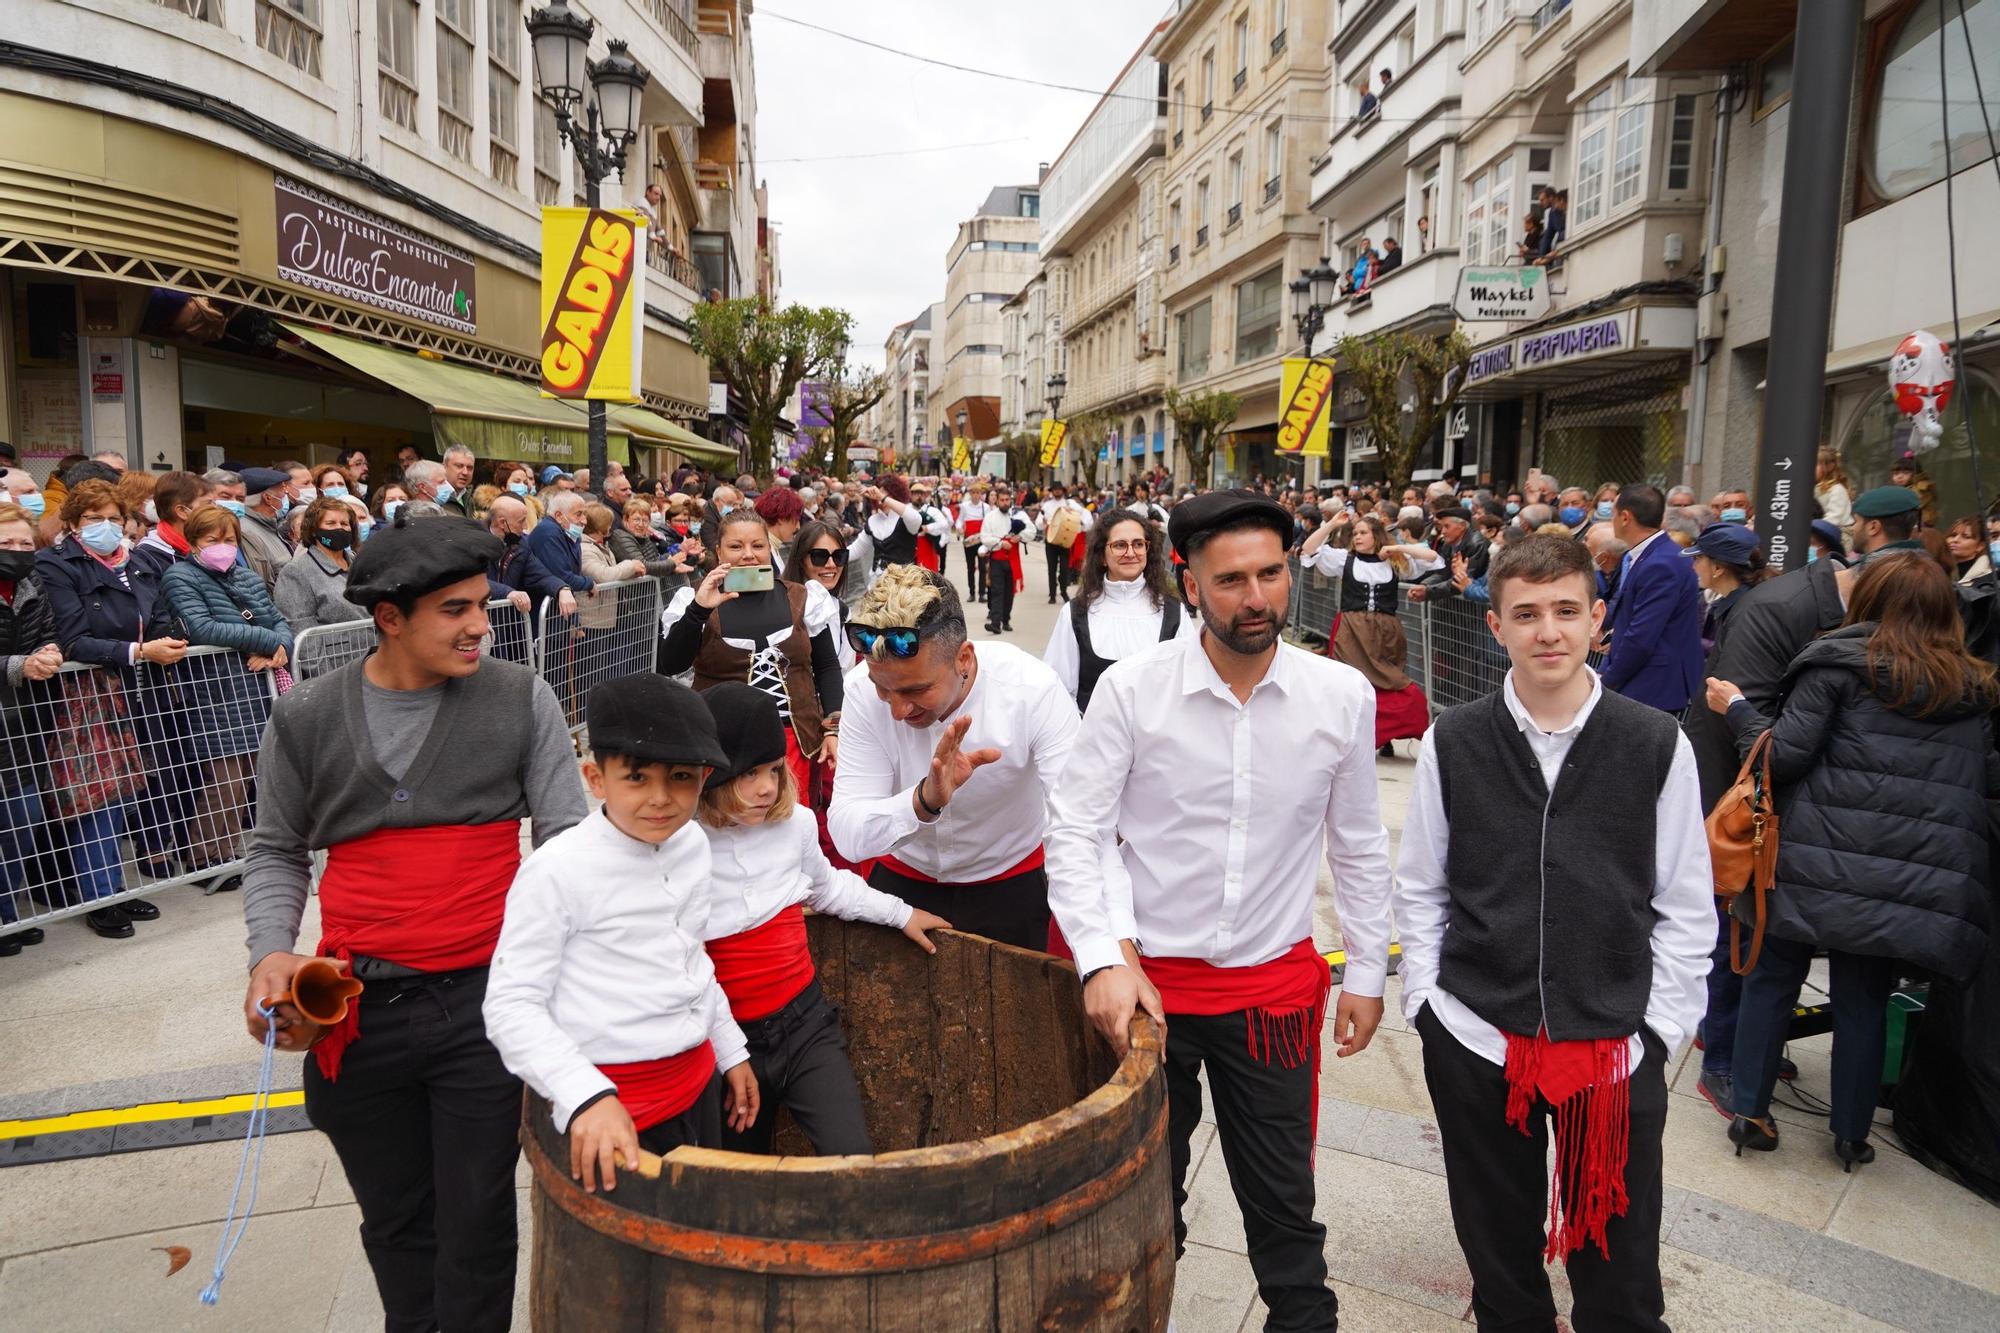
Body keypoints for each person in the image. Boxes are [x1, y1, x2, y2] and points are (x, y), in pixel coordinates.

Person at [1046, 489, 1395, 1332]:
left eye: (1271, 574)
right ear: (1189, 582)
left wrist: (1369, 970)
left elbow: (1358, 843)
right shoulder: (1133, 691)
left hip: (1271, 991)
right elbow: (1077, 827)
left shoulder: (1340, 697)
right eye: (1231, 578)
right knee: (1138, 1202)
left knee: (1285, 1210)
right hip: (1146, 993)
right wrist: (1100, 956)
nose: (1256, 597)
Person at [241, 514, 589, 1330]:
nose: (480, 624)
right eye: (454, 610)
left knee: (475, 1225)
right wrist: (270, 952)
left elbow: (568, 844)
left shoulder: (519, 698)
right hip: (358, 1015)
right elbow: (276, 849)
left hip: (487, 1008)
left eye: (481, 603)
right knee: (396, 1223)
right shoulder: (306, 717)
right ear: (388, 618)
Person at [1395, 534, 1711, 1332]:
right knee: (1500, 1264)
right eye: (1527, 613)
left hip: (1611, 1048)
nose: (1549, 631)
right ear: (1495, 624)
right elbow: (1423, 882)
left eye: (1567, 610)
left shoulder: (1654, 742)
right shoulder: (1453, 738)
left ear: (1598, 619)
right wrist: (1426, 1006)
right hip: (1478, 1034)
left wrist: (1661, 1031)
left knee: (1622, 1277)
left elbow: (1684, 901)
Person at [1707, 553, 1997, 1170]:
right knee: (1864, 999)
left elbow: (1781, 758)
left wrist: (1737, 710)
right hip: (1902, 876)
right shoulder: (1971, 687)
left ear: (1869, 599)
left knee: (1770, 982)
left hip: (1809, 861)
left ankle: (1752, 1112)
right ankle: (1850, 1133)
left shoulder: (1837, 664)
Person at [484, 673, 758, 1186]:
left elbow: (692, 957)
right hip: (612, 1111)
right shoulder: (557, 869)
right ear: (595, 779)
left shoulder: (693, 844)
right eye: (637, 777)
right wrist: (585, 1094)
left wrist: (729, 1048)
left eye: (680, 777)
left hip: (696, 1088)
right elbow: (510, 1005)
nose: (660, 797)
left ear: (703, 779)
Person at [696, 683, 948, 1155]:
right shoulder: (687, 848)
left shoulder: (792, 826)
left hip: (805, 1025)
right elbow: (687, 963)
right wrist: (730, 1054)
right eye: (749, 773)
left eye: (774, 769)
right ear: (711, 776)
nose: (768, 786)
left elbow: (829, 887)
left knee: (851, 1154)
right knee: (733, 1169)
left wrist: (900, 913)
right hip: (728, 1037)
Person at [829, 566, 1078, 952]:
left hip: (1010, 880)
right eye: (884, 689)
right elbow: (847, 833)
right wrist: (922, 802)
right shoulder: (861, 691)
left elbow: (1079, 821)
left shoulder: (1033, 690)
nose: (896, 710)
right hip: (904, 880)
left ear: (964, 658)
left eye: (916, 689)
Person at [35, 479, 184, 938]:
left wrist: (163, 640)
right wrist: (140, 651)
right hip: (90, 696)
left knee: (130, 791)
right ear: (74, 524)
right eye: (93, 519)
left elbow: (160, 614)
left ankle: (115, 886)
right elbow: (74, 636)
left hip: (141, 691)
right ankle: (99, 896)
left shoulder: (137, 561)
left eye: (113, 518)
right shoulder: (57, 564)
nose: (105, 526)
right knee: (98, 796)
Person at [657, 510, 844, 798]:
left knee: (791, 828)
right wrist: (698, 610)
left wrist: (833, 728)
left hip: (795, 740)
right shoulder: (693, 600)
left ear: (770, 549)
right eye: (736, 546)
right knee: (728, 832)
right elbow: (671, 663)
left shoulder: (804, 597)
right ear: (718, 551)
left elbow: (827, 666)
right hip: (722, 741)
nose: (748, 555)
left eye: (758, 545)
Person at [159, 505, 292, 872]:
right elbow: (201, 628)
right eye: (212, 540)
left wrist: (280, 649)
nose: (222, 546)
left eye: (229, 539)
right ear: (194, 542)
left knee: (246, 775)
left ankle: (228, 851)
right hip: (213, 689)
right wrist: (266, 640)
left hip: (253, 689)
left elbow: (280, 621)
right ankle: (202, 858)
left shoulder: (245, 577)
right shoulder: (179, 576)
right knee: (222, 778)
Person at [1300, 510, 1440, 752]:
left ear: (1376, 536)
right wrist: (1333, 524)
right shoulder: (1345, 559)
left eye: (1363, 532)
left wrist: (1399, 549)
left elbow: (1432, 557)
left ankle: (1384, 735)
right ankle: (1350, 736)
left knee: (1391, 682)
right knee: (1351, 684)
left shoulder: (1395, 562)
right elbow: (1309, 549)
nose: (1357, 537)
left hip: (1386, 633)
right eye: (1355, 533)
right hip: (1351, 630)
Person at [1042, 508, 1194, 714]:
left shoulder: (1174, 613)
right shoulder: (1076, 613)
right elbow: (1058, 689)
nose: (1131, 553)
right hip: (1093, 741)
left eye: (1138, 544)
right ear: (1102, 556)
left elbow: (1188, 684)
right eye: (1120, 545)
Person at [0, 501, 58, 955]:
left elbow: (48, 630)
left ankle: (6, 909)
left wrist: (51, 651)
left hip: (24, 722)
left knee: (24, 817)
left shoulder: (31, 581)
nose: (18, 551)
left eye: (24, 542)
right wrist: (21, 664)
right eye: (7, 543)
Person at [1599, 484, 1704, 713]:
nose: (1612, 521)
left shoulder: (1661, 562)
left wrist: (1606, 681)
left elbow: (1641, 636)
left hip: (1652, 686)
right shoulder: (1645, 554)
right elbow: (1625, 618)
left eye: (1613, 514)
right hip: (1641, 681)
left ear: (1625, 517)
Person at [275, 495, 368, 638]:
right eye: (331, 523)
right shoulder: (296, 572)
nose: (339, 528)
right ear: (313, 530)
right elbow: (301, 631)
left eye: (344, 524)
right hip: (337, 658)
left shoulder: (359, 563)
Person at [238, 465, 301, 591]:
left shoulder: (269, 525)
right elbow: (264, 584)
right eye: (283, 491)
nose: (286, 495)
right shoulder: (247, 531)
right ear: (268, 498)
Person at [978, 485, 1029, 633]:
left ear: (1010, 500)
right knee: (996, 591)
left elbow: (1031, 531)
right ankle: (995, 623)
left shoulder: (1017, 515)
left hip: (1012, 559)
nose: (1005, 502)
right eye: (1002, 500)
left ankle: (1006, 620)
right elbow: (984, 537)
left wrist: (1020, 536)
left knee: (1009, 591)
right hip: (997, 558)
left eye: (1007, 500)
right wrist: (1000, 543)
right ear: (997, 501)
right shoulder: (990, 517)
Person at [1888, 451, 1938, 528]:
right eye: (1896, 474)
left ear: (1916, 473)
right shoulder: (1900, 489)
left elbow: (1912, 503)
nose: (1900, 476)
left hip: (1922, 526)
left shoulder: (1922, 487)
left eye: (1905, 473)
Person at [1814, 446, 1854, 541]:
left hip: (1841, 534)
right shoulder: (1817, 487)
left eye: (1816, 463)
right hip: (1825, 530)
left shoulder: (1837, 489)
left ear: (1829, 466)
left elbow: (1834, 516)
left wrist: (1814, 528)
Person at [957, 486, 989, 601]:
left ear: (981, 494)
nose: (975, 495)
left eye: (977, 492)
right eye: (973, 493)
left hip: (981, 540)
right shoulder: (964, 506)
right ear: (970, 494)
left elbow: (988, 522)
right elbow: (960, 520)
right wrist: (959, 528)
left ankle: (981, 593)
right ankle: (972, 593)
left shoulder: (986, 507)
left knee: (982, 567)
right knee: (970, 568)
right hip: (969, 540)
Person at [1945, 515, 1991, 583]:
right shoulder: (1940, 570)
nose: (1955, 540)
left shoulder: (1987, 576)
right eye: (1953, 535)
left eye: (1966, 537)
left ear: (1980, 546)